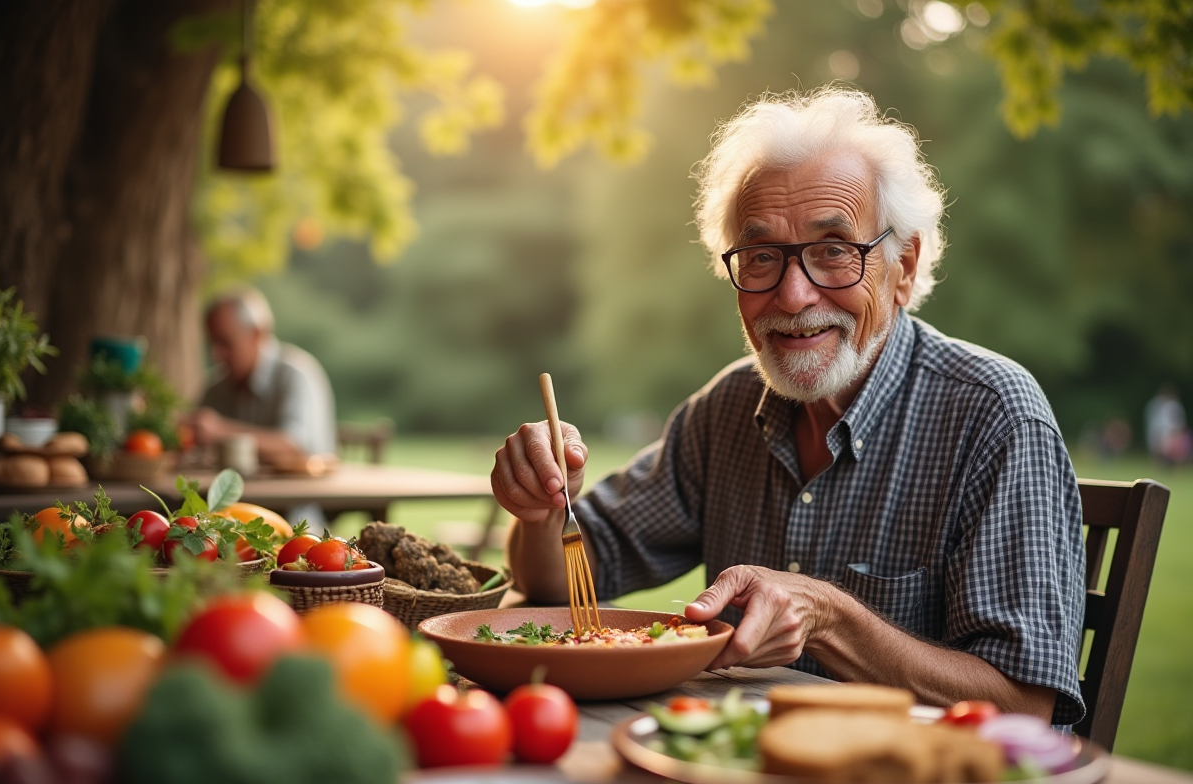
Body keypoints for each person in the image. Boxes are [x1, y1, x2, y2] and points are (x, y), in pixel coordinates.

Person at [490, 87, 1086, 726]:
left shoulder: (993, 415)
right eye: (762, 256)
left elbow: (1025, 705)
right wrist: (542, 507)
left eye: (834, 251)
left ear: (903, 267)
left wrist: (829, 617)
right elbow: (557, 582)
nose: (794, 295)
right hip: (735, 776)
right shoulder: (725, 410)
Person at [187, 286, 337, 467]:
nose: (215, 355)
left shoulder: (295, 373)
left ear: (257, 334)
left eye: (225, 343)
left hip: (304, 494)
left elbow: (296, 445)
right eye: (212, 343)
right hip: (245, 494)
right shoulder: (216, 387)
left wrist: (220, 432)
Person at [1144, 385, 1191, 465]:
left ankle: (1171, 466)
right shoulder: (1158, 405)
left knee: (1172, 452)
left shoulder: (1171, 405)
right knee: (1160, 451)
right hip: (1162, 431)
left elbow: (1176, 422)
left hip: (1168, 431)